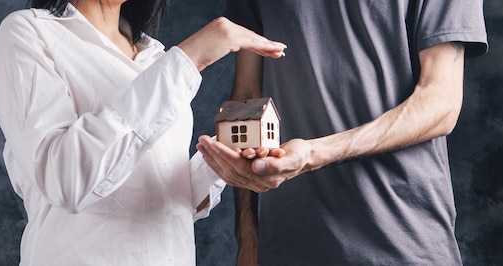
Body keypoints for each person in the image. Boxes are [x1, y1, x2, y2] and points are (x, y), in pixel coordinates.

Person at [0, 0, 286, 265]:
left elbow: (165, 199)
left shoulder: (154, 55)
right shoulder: (28, 33)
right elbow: (64, 180)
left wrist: (221, 159)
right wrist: (191, 58)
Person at [196, 0, 488, 265]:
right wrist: (248, 237)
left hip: (402, 242)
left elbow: (441, 103)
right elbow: (248, 95)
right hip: (286, 247)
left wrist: (315, 153)